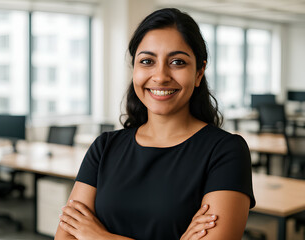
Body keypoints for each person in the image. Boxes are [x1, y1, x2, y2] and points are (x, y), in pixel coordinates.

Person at [55, 7, 255, 240]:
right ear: (135, 70)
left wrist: (98, 236)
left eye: (177, 62)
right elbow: (65, 237)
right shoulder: (105, 147)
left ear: (199, 72)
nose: (160, 76)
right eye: (147, 61)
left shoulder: (225, 151)